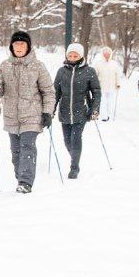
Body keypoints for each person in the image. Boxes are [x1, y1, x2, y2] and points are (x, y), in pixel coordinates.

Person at [0, 30, 55, 193]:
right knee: (16, 151)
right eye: (16, 44)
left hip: (31, 114)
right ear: (11, 46)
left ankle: (25, 181)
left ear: (28, 47)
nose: (19, 47)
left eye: (22, 44)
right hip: (11, 116)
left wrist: (47, 112)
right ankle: (21, 177)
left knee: (27, 147)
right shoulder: (5, 65)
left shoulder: (38, 66)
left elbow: (48, 91)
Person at [52, 42, 101, 179]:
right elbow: (55, 93)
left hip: (81, 112)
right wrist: (51, 109)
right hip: (64, 112)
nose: (72, 58)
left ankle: (74, 167)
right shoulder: (61, 71)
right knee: (67, 141)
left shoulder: (89, 71)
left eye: (75, 55)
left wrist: (94, 109)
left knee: (76, 138)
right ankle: (75, 157)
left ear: (81, 56)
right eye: (70, 55)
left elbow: (96, 91)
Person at [90, 46, 121, 120]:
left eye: (108, 54)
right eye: (105, 54)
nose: (107, 55)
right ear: (102, 54)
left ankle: (110, 115)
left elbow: (117, 74)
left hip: (112, 86)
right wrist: (94, 84)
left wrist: (118, 84)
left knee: (110, 102)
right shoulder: (98, 64)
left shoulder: (114, 64)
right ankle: (104, 116)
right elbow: (94, 75)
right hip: (101, 86)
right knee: (103, 102)